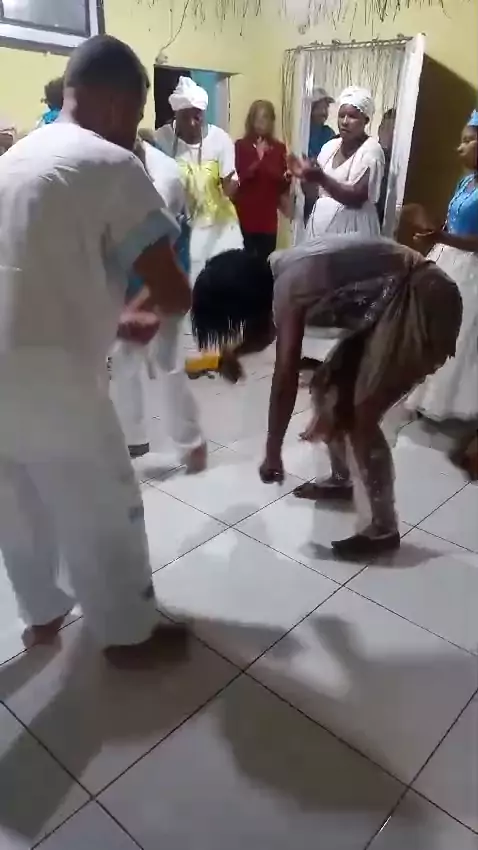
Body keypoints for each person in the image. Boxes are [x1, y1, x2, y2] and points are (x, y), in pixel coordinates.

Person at [0, 35, 192, 662]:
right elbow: (172, 289)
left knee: (18, 501)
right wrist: (151, 306)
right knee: (105, 504)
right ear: (115, 103)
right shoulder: (111, 164)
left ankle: (42, 615)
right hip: (57, 381)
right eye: (135, 115)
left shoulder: (14, 158)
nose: (134, 132)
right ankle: (130, 634)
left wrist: (115, 313)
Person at [190, 235, 462, 557]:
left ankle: (383, 528)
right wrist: (233, 353)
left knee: (361, 412)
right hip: (389, 307)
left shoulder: (291, 284)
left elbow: (285, 373)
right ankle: (343, 480)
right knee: (328, 387)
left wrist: (273, 451)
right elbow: (268, 329)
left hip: (423, 298)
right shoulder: (275, 273)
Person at [109, 136, 207, 469]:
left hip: (168, 272)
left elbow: (163, 258)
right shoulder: (111, 169)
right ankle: (133, 439)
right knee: (124, 355)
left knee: (167, 359)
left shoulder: (164, 179)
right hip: (129, 271)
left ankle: (192, 443)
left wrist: (134, 307)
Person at [406, 110, 478, 423]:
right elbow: (451, 223)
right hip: (446, 257)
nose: (459, 147)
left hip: (470, 268)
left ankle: (444, 402)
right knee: (430, 328)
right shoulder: (465, 182)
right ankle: (422, 393)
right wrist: (431, 234)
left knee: (457, 334)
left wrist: (442, 236)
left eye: (467, 141)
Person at [155, 76, 243, 285]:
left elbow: (230, 183)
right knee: (186, 285)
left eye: (198, 117)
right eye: (186, 117)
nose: (193, 123)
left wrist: (230, 186)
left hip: (218, 227)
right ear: (176, 114)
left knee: (221, 285)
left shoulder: (220, 139)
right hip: (180, 230)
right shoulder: (161, 139)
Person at [290, 87, 384, 239]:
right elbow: (315, 193)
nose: (345, 122)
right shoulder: (330, 146)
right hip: (321, 229)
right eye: (341, 116)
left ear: (366, 120)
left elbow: (357, 198)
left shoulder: (371, 150)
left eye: (352, 117)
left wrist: (321, 178)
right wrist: (305, 177)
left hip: (354, 231)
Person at [234, 100, 290, 262]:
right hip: (245, 217)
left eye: (264, 118)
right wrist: (258, 160)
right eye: (256, 118)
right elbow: (239, 180)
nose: (260, 123)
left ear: (271, 121)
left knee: (266, 264)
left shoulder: (279, 148)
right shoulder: (241, 146)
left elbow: (281, 184)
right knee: (245, 265)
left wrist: (288, 176)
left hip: (268, 220)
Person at [303, 88, 335, 224]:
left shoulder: (328, 133)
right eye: (320, 107)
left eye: (326, 108)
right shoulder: (302, 131)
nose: (324, 112)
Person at [377, 108, 396, 226]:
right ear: (380, 130)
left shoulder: (397, 163)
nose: (391, 135)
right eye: (387, 129)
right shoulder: (371, 156)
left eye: (394, 130)